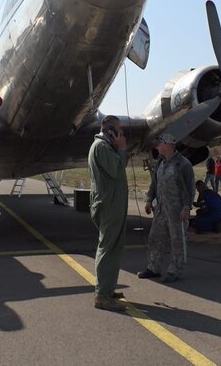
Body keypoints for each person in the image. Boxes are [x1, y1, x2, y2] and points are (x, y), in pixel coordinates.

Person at [138, 133, 195, 283]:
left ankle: (175, 270)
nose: (157, 146)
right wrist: (149, 199)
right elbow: (155, 183)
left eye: (160, 143)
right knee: (155, 238)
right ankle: (153, 267)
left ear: (169, 144)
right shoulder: (160, 163)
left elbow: (190, 188)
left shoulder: (183, 164)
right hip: (161, 209)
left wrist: (187, 207)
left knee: (177, 241)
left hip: (177, 210)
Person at [87, 115, 129, 312]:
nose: (121, 134)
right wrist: (122, 149)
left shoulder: (104, 147)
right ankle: (102, 295)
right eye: (119, 131)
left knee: (113, 247)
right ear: (111, 131)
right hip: (109, 205)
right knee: (108, 248)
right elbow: (116, 169)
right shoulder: (103, 147)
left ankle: (107, 289)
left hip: (113, 203)